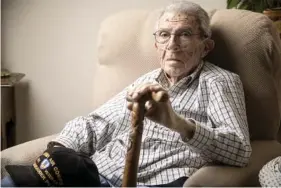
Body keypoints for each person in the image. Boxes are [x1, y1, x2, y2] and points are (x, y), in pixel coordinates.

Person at [2, 1, 252, 187]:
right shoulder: (147, 80)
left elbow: (240, 151)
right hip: (93, 175)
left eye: (185, 34)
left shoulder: (219, 81)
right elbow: (97, 124)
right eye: (164, 35)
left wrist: (177, 123)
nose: (172, 44)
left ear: (206, 46)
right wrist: (58, 152)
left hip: (151, 182)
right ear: (157, 45)